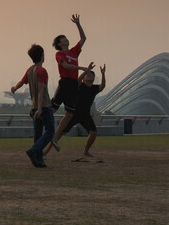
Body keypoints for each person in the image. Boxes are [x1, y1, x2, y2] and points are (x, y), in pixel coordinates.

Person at [47, 14, 94, 152]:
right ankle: (43, 126)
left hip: (73, 85)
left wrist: (78, 24)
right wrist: (82, 68)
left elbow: (83, 39)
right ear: (59, 44)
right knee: (53, 109)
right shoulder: (60, 54)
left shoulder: (74, 52)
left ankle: (55, 138)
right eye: (63, 39)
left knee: (69, 114)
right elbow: (65, 66)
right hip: (65, 83)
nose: (66, 39)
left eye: (66, 38)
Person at [10, 43, 54, 168]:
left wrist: (14, 88)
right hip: (43, 106)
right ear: (42, 56)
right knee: (50, 131)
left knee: (38, 134)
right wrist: (40, 109)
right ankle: (34, 151)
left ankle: (39, 160)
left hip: (33, 107)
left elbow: (21, 82)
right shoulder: (41, 71)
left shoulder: (30, 70)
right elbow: (41, 91)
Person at [56, 65, 106, 158]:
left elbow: (102, 86)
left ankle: (86, 151)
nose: (89, 76)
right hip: (74, 114)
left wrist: (103, 74)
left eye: (91, 75)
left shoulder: (93, 88)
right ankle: (49, 146)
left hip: (85, 115)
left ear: (94, 78)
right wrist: (86, 70)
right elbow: (78, 80)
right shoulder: (80, 86)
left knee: (93, 133)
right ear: (84, 78)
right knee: (62, 132)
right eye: (87, 75)